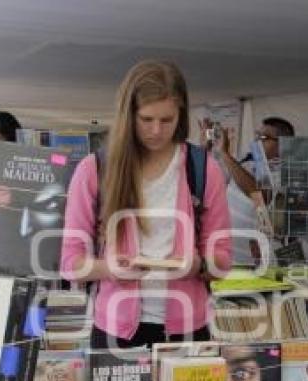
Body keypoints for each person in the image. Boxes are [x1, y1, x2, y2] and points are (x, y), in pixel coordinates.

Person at [60, 60, 232, 348]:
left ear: (182, 115)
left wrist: (199, 264)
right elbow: (70, 262)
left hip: (189, 329)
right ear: (128, 116)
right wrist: (110, 269)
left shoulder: (203, 169)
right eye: (146, 119)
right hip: (115, 330)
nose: (156, 131)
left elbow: (223, 257)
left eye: (167, 120)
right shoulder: (94, 170)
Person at [206, 116, 308, 265]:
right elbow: (210, 183)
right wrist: (206, 148)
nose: (256, 141)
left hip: (262, 265)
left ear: (283, 144)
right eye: (256, 136)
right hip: (231, 259)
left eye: (264, 137)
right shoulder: (247, 164)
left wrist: (225, 154)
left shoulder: (291, 173)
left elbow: (259, 195)